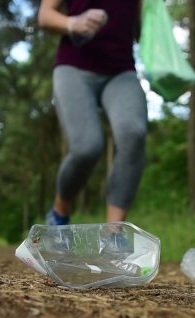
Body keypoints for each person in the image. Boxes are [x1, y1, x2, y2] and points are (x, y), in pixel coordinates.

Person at [38, 0, 148, 226]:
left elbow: (142, 28)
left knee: (133, 133)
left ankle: (114, 233)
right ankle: (60, 211)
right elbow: (45, 15)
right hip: (74, 67)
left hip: (121, 71)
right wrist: (73, 23)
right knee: (86, 148)